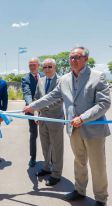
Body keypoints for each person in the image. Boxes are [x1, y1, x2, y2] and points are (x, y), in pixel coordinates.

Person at [24, 47, 110, 206]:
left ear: (86, 59)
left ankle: (100, 198)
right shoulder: (64, 80)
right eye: (71, 57)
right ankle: (79, 190)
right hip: (74, 129)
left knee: (97, 166)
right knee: (79, 162)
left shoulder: (98, 77)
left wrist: (83, 118)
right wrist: (32, 106)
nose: (73, 60)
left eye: (77, 57)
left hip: (93, 130)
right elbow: (50, 97)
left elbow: (104, 103)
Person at [34, 58, 64, 186]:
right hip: (41, 119)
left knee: (57, 148)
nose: (46, 69)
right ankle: (46, 167)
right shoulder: (40, 80)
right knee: (45, 145)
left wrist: (43, 108)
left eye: (49, 67)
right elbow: (36, 98)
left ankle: (56, 174)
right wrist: (36, 113)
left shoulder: (62, 81)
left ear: (55, 67)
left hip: (55, 118)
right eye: (44, 67)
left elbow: (61, 98)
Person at [21, 58, 44, 167]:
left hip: (45, 110)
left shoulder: (45, 75)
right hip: (31, 110)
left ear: (38, 65)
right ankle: (33, 157)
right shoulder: (25, 78)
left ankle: (50, 158)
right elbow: (27, 93)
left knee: (47, 135)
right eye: (30, 65)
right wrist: (32, 107)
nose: (32, 66)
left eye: (34, 64)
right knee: (33, 134)